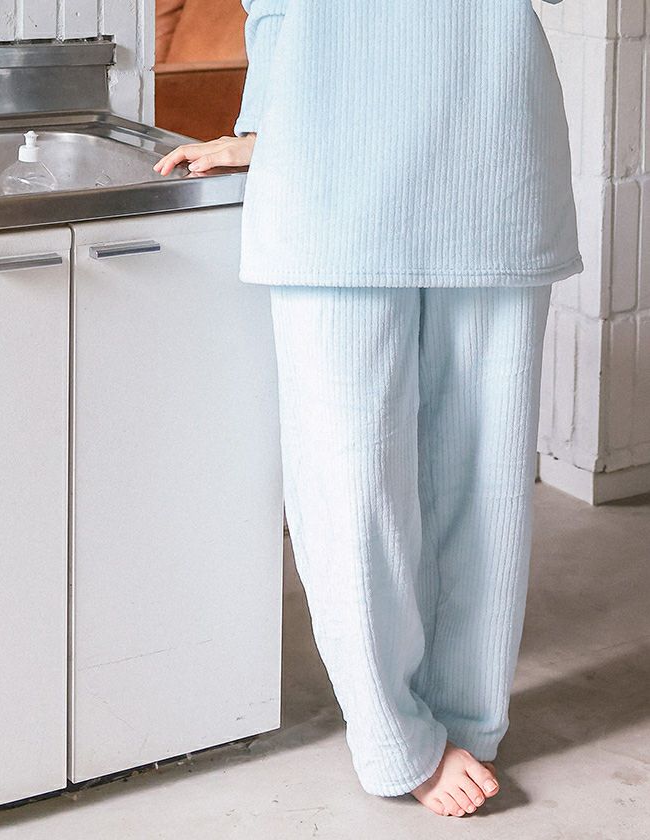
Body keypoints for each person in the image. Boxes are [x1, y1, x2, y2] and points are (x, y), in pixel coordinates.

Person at [154, 0, 583, 818]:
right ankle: (391, 733)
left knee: (484, 478)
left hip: (491, 150)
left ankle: (470, 715)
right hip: (327, 166)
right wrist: (263, 127)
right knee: (351, 478)